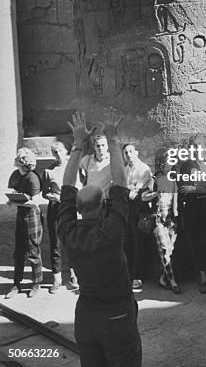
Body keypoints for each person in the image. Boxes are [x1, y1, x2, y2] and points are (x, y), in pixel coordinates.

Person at [58, 110, 142, 367]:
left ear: (78, 209)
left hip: (85, 315)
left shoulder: (69, 233)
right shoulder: (112, 231)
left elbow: (66, 189)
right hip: (116, 314)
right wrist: (114, 140)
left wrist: (76, 145)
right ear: (103, 204)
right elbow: (121, 182)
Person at [5, 148, 43, 299]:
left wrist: (21, 202)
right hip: (21, 216)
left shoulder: (32, 178)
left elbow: (35, 203)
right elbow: (14, 193)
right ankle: (16, 284)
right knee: (19, 251)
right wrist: (12, 200)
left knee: (33, 251)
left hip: (32, 216)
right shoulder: (15, 175)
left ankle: (36, 283)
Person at [142, 148, 181, 293]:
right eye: (164, 163)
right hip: (158, 219)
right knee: (165, 249)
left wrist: (175, 216)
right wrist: (155, 194)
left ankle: (163, 278)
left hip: (171, 220)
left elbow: (175, 199)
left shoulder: (173, 179)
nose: (166, 165)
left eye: (169, 162)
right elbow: (143, 196)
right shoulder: (154, 179)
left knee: (170, 252)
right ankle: (172, 281)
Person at [178, 134, 206, 293]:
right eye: (195, 145)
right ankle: (204, 277)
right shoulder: (186, 166)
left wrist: (197, 188)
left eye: (200, 145)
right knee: (199, 244)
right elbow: (184, 188)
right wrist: (202, 188)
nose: (198, 148)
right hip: (195, 211)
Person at [42, 141, 78, 293]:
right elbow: (44, 192)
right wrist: (53, 197)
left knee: (72, 241)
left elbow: (79, 185)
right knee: (55, 244)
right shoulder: (48, 171)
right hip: (55, 209)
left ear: (66, 151)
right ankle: (57, 279)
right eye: (54, 152)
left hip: (70, 208)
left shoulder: (73, 167)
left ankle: (74, 275)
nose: (57, 154)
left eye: (60, 151)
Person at [123, 143, 153, 291]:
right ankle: (128, 275)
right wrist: (128, 189)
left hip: (140, 210)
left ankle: (138, 275)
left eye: (130, 151)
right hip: (127, 211)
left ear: (136, 152)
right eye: (126, 152)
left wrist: (129, 189)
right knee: (127, 242)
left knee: (138, 243)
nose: (128, 154)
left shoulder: (144, 169)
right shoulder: (124, 170)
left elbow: (137, 192)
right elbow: (122, 188)